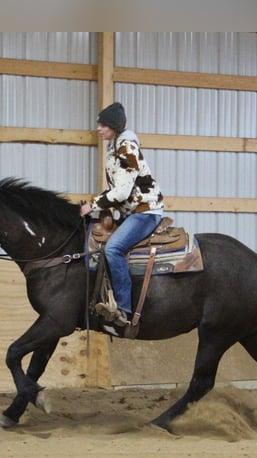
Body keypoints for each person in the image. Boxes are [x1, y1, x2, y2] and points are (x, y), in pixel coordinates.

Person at [80, 102, 165, 327]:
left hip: (145, 211)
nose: (98, 128)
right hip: (133, 210)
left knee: (114, 248)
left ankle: (123, 308)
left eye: (103, 124)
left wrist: (93, 205)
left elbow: (121, 192)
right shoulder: (116, 147)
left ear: (114, 126)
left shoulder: (126, 148)